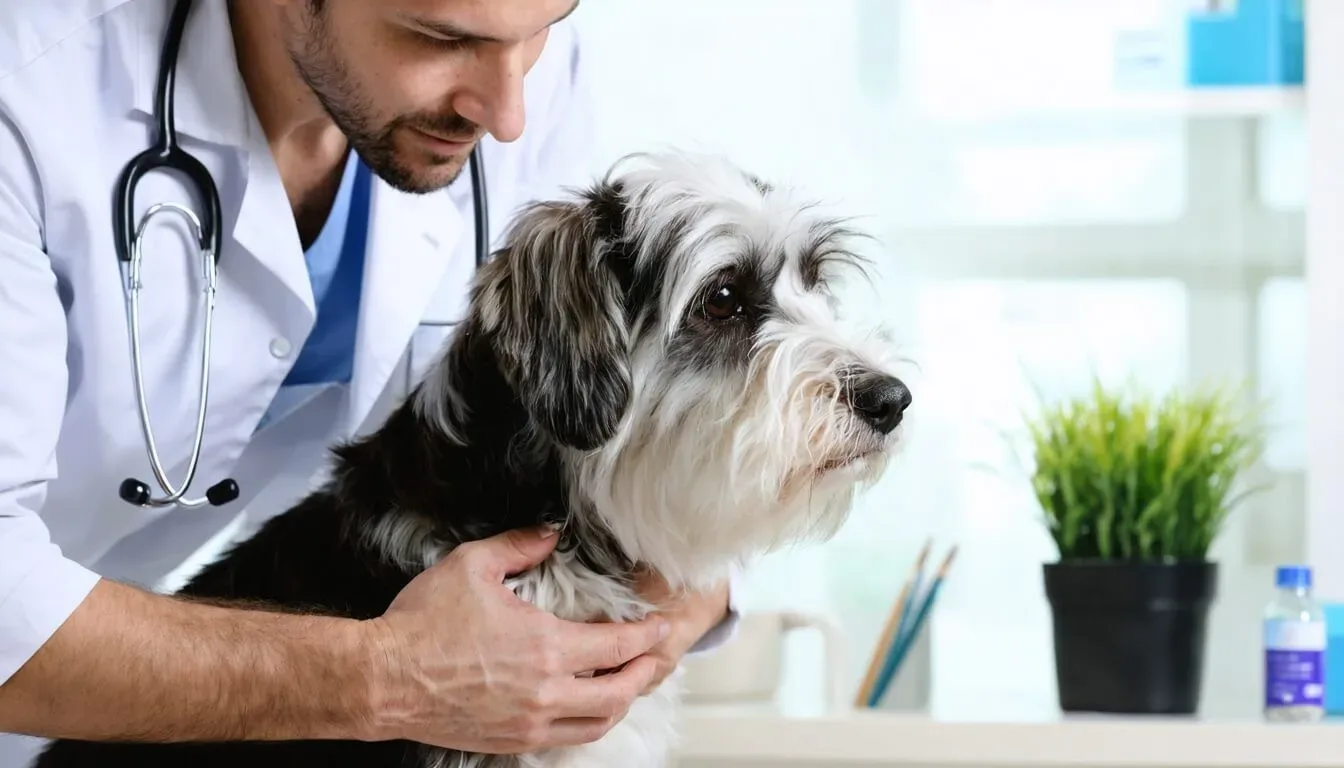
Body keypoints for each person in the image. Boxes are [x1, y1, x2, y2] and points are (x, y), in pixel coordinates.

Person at [0, 0, 738, 764]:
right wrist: (388, 674)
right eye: (441, 39)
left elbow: (573, 416)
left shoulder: (514, 63)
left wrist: (688, 575)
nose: (508, 113)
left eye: (542, 29)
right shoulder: (24, 97)